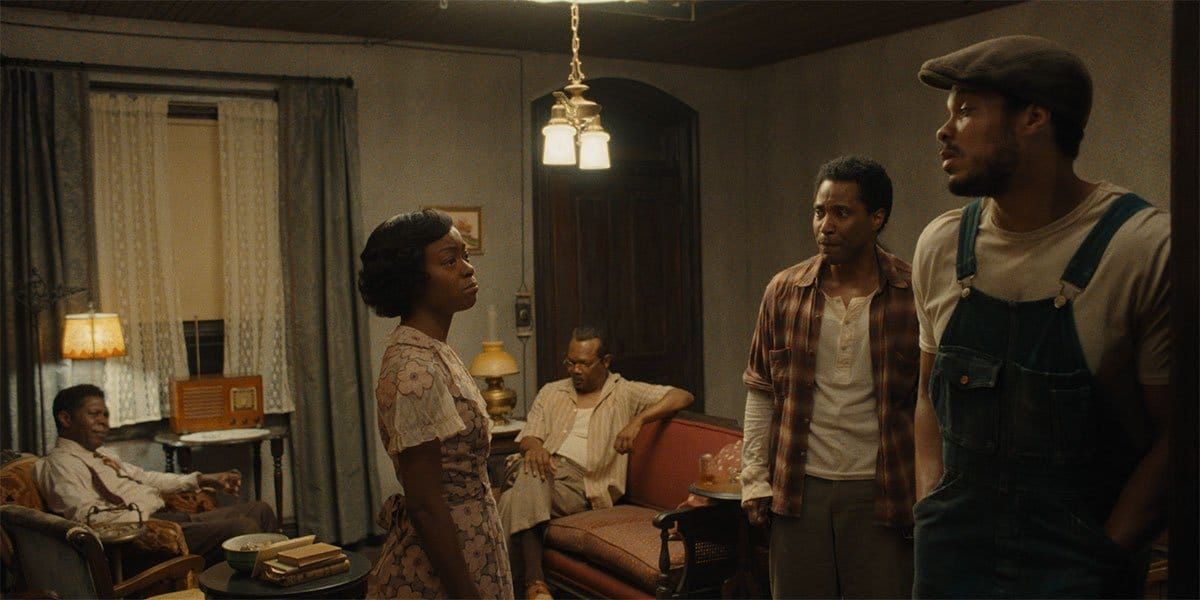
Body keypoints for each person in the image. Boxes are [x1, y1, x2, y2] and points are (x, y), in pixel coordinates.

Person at [911, 36, 1170, 597]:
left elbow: (1177, 437)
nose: (944, 130)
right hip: (949, 560)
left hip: (1076, 569)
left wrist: (1108, 552)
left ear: (1034, 117)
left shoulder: (1142, 249)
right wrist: (928, 503)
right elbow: (929, 397)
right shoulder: (942, 245)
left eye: (967, 110)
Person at [741, 155, 919, 598]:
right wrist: (754, 478)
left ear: (877, 218)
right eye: (819, 212)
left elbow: (930, 402)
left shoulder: (911, 294)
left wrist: (929, 493)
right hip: (800, 487)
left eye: (842, 212)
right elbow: (761, 390)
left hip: (881, 490)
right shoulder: (785, 291)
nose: (826, 225)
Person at [359, 209, 512, 599]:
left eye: (465, 256)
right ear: (413, 280)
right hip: (444, 565)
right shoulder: (414, 367)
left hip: (472, 541)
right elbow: (426, 503)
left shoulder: (433, 350)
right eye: (450, 260)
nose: (467, 269)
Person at [499, 326, 693, 600]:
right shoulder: (552, 391)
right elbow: (529, 436)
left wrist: (638, 421)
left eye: (584, 364)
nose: (576, 370)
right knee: (531, 475)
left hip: (583, 484)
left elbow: (682, 396)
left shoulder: (624, 392)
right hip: (545, 468)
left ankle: (522, 586)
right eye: (571, 362)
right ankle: (534, 588)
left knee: (511, 498)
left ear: (605, 362)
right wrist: (536, 448)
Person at [34, 384, 277, 566]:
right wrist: (143, 512)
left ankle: (277, 586)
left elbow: (146, 478)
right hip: (141, 537)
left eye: (105, 415)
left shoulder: (101, 454)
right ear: (65, 419)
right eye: (94, 415)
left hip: (164, 517)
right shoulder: (59, 465)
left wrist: (203, 479)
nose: (103, 423)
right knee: (244, 528)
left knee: (260, 510)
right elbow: (86, 519)